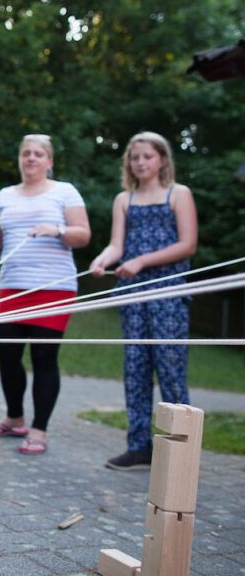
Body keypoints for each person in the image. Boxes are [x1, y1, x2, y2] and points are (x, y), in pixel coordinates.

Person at [0, 134, 91, 455]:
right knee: (7, 355)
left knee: (43, 358)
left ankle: (39, 431)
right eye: (26, 153)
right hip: (12, 285)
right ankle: (15, 420)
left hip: (53, 289)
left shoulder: (65, 192)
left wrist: (57, 230)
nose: (31, 158)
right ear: (19, 159)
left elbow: (83, 235)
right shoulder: (4, 196)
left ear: (49, 161)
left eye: (38, 154)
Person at [90, 131, 197, 471]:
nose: (140, 163)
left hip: (168, 292)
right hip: (133, 293)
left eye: (147, 157)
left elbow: (187, 244)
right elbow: (117, 245)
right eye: (135, 158)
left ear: (162, 159)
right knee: (135, 368)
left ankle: (180, 451)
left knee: (170, 369)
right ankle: (139, 447)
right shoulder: (125, 199)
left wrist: (142, 261)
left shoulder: (178, 194)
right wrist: (103, 260)